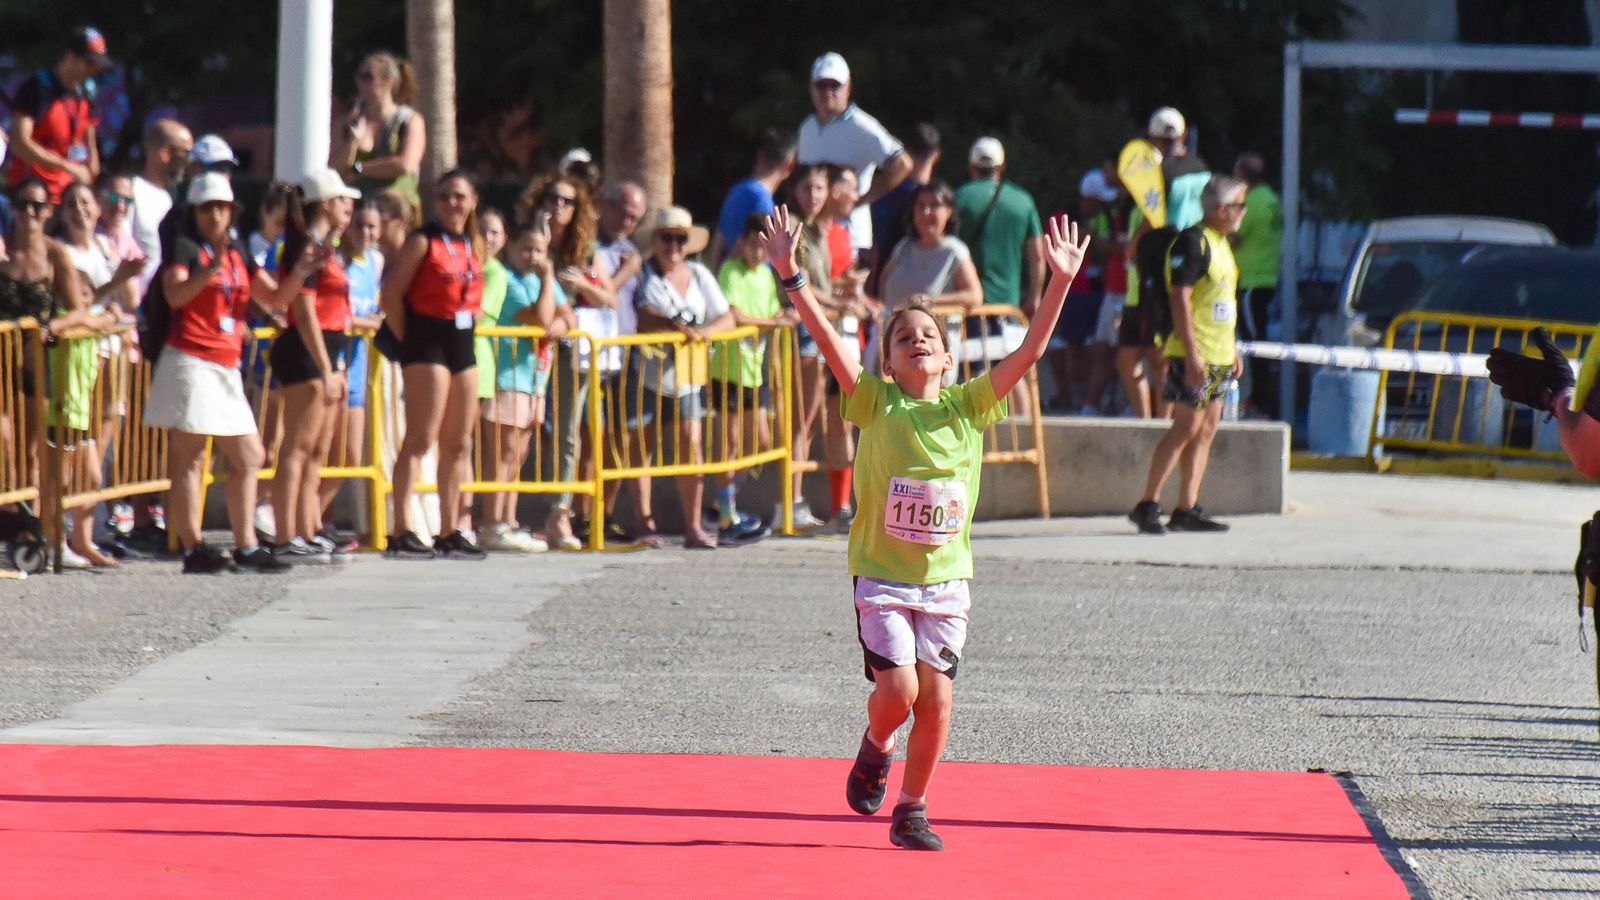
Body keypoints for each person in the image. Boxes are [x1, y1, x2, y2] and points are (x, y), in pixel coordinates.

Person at [758, 203, 1087, 851]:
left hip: (944, 583)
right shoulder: (876, 402)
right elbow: (827, 342)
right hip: (882, 576)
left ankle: (913, 809)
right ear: (889, 358)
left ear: (946, 357)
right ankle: (876, 745)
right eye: (903, 336)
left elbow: (1033, 348)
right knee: (900, 690)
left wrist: (1061, 280)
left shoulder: (970, 405)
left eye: (928, 337)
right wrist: (790, 276)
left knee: (936, 701)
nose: (917, 341)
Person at [142, 173, 303, 573]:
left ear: (232, 211)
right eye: (207, 207)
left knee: (250, 454)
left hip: (224, 364)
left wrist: (302, 271)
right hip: (190, 359)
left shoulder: (238, 253)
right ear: (195, 212)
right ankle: (194, 546)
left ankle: (246, 544)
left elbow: (274, 298)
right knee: (191, 457)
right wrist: (208, 270)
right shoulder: (185, 248)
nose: (215, 214)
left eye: (222, 206)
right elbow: (175, 294)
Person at [1, 179, 120, 569]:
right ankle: (20, 524)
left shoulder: (54, 255)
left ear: (48, 212)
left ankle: (37, 533)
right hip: (2, 364)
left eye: (38, 206)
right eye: (23, 204)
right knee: (5, 441)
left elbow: (81, 310)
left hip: (41, 365)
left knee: (36, 454)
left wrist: (51, 328)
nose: (30, 213)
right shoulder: (2, 249)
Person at [380, 169, 490, 560]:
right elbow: (391, 295)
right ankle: (402, 528)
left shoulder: (473, 243)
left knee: (459, 443)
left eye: (459, 196)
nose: (451, 203)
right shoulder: (422, 241)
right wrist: (409, 338)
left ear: (473, 200)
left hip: (461, 341)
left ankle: (450, 529)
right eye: (444, 196)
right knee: (420, 439)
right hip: (427, 341)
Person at [1129, 176, 1249, 535]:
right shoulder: (1193, 241)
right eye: (1240, 206)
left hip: (1219, 353)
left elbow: (1222, 300)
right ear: (1222, 209)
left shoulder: (1222, 244)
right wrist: (1192, 354)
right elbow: (1179, 296)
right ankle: (1148, 503)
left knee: (1207, 428)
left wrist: (1234, 347)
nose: (1243, 213)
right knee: (1186, 426)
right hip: (1192, 352)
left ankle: (1186, 506)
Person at [518, 174, 617, 550]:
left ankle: (562, 513)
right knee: (533, 429)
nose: (558, 206)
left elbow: (610, 299)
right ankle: (533, 511)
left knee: (569, 431)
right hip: (531, 346)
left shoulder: (586, 248)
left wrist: (583, 287)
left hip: (574, 349)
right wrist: (540, 237)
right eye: (552, 198)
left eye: (567, 201)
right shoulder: (530, 240)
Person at [267, 170, 361, 563]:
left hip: (328, 351)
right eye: (341, 200)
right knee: (297, 447)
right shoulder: (303, 246)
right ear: (325, 203)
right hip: (308, 352)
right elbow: (303, 311)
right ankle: (286, 533)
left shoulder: (326, 247)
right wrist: (326, 367)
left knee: (317, 449)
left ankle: (308, 527)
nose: (347, 208)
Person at [631, 206, 735, 549]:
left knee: (691, 447)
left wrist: (702, 333)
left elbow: (727, 317)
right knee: (642, 448)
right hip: (648, 372)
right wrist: (673, 327)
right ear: (656, 241)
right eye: (666, 238)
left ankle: (693, 526)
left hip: (689, 375)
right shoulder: (644, 274)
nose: (673, 245)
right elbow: (643, 314)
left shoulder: (699, 274)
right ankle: (645, 523)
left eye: (680, 239)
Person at [480, 217, 568, 553]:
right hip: (509, 375)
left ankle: (509, 519)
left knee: (519, 454)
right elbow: (542, 318)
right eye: (526, 249)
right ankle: (494, 522)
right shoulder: (511, 281)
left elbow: (565, 316)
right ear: (512, 249)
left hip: (535, 379)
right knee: (502, 454)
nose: (533, 256)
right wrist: (548, 279)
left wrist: (560, 322)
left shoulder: (540, 281)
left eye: (540, 251)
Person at [709, 214, 794, 541]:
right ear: (743, 242)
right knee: (730, 442)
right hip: (728, 370)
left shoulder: (765, 274)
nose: (758, 253)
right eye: (754, 245)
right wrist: (775, 324)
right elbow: (735, 315)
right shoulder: (731, 271)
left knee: (760, 440)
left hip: (754, 368)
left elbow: (770, 311)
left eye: (764, 247)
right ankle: (727, 515)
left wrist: (783, 315)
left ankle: (723, 500)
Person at [954, 137, 1044, 415]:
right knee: (1013, 369)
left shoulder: (960, 197)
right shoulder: (1023, 200)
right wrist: (1034, 296)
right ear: (1002, 166)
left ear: (971, 166)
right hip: (1009, 304)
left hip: (969, 302)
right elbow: (1038, 256)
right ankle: (1026, 434)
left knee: (973, 369)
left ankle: (978, 436)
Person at [797, 52, 912, 260]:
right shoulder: (807, 128)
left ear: (848, 87)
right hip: (814, 233)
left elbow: (902, 163)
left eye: (835, 85)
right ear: (811, 87)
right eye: (821, 85)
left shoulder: (861, 125)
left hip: (851, 234)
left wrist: (862, 199)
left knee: (846, 292)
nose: (827, 92)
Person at [592, 181, 657, 546]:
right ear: (606, 205)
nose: (626, 223)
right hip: (591, 355)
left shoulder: (630, 251)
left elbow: (640, 304)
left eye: (634, 218)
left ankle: (604, 514)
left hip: (626, 357)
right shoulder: (589, 246)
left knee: (622, 439)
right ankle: (582, 516)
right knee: (592, 438)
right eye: (622, 213)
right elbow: (601, 295)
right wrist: (626, 272)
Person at [320, 198, 385, 539]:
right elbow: (334, 312)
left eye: (372, 226)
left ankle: (313, 517)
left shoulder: (375, 262)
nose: (365, 233)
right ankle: (309, 521)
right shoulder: (336, 260)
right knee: (320, 450)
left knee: (348, 455)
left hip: (358, 367)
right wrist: (365, 322)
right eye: (359, 225)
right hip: (333, 363)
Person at [6, 27, 109, 203]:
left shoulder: (88, 93)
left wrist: (92, 171)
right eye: (90, 64)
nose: (95, 71)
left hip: (71, 198)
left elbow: (89, 141)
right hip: (33, 196)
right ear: (70, 58)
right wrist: (66, 166)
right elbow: (20, 143)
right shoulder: (38, 88)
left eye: (98, 65)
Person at [334, 52, 426, 210]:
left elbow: (405, 165)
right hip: (358, 210)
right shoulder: (347, 122)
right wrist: (352, 141)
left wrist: (358, 169)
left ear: (388, 82)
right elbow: (335, 170)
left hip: (397, 210)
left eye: (368, 77)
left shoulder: (409, 120)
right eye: (359, 76)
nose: (360, 82)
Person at [1231, 152, 1284, 417]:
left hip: (1250, 280)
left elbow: (1233, 235)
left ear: (1242, 175)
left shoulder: (1251, 202)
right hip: (1267, 277)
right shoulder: (1273, 200)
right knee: (1256, 341)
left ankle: (1259, 402)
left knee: (1254, 345)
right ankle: (1259, 399)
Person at [708, 128, 796, 270]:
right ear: (790, 164)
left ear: (759, 156)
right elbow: (765, 255)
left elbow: (718, 242)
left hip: (727, 277)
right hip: (750, 283)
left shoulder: (737, 190)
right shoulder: (763, 201)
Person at [869, 122, 940, 295]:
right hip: (931, 290)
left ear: (905, 153)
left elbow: (875, 246)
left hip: (888, 287)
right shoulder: (941, 202)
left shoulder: (882, 197)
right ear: (937, 156)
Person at [129, 119, 193, 296]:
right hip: (133, 308)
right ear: (165, 153)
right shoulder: (131, 192)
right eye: (186, 153)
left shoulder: (170, 199)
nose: (189, 162)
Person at [247, 186, 289, 267]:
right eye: (279, 223)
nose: (284, 231)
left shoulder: (297, 251)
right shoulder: (246, 248)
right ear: (265, 210)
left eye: (289, 225)